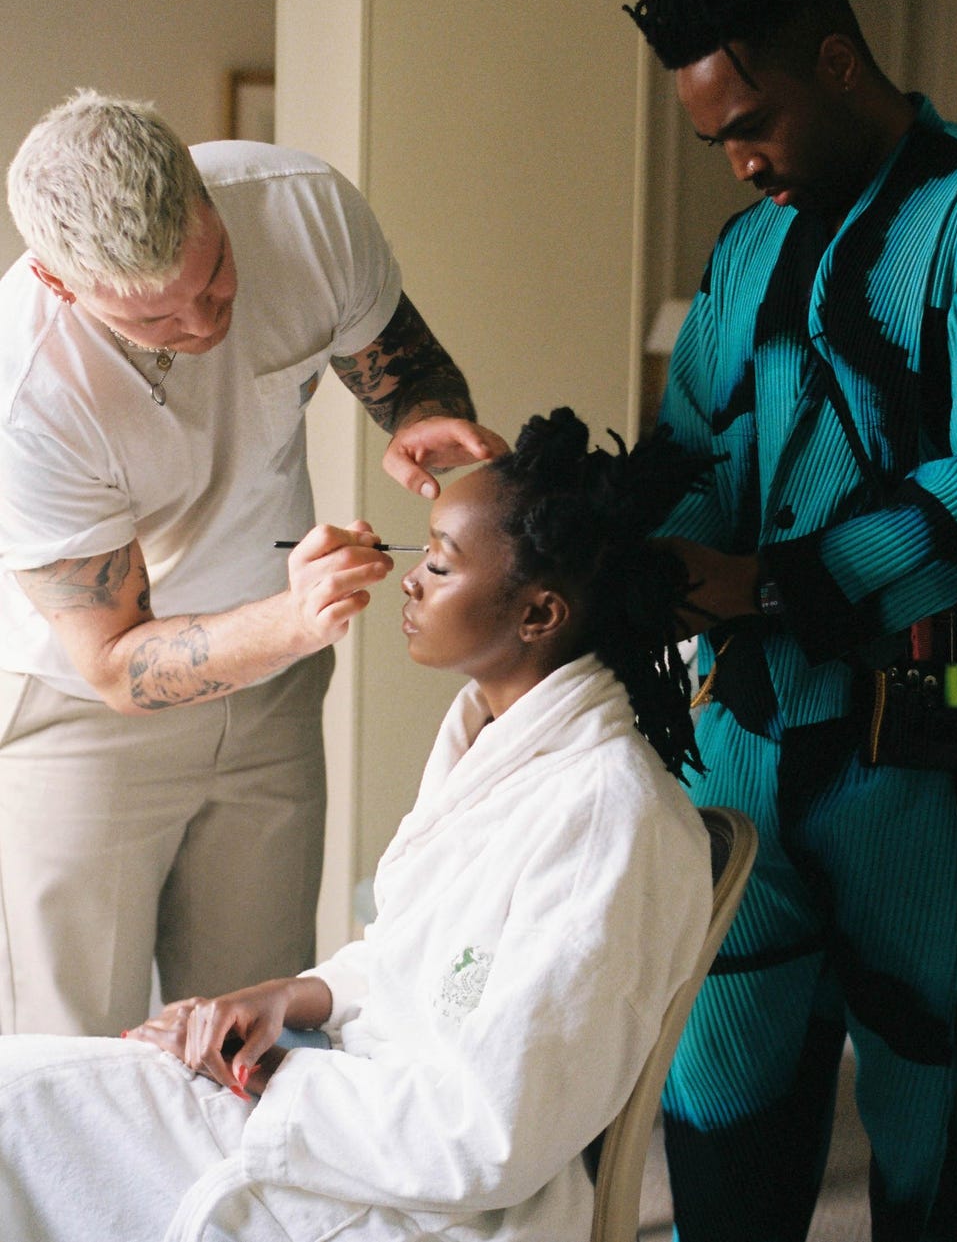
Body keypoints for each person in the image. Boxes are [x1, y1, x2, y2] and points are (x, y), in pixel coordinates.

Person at [0, 406, 713, 1242]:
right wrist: (287, 996)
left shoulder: (607, 818)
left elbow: (493, 1134)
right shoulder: (491, 741)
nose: (409, 579)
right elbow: (428, 959)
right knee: (22, 1088)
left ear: (539, 614)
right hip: (353, 1113)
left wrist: (276, 1074)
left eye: (440, 565)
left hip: (425, 1197)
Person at [0, 89, 507, 1038]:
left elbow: (408, 368)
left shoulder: (303, 209)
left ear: (204, 190)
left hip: (272, 696)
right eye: (159, 320)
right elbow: (113, 660)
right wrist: (292, 617)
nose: (205, 323)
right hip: (83, 718)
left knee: (250, 1028)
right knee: (70, 1053)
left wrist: (422, 415)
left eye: (217, 274)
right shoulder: (25, 391)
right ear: (67, 287)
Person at [624, 0, 957, 1241]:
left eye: (749, 124)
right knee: (720, 1105)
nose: (738, 162)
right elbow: (692, 452)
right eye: (713, 138)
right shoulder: (747, 249)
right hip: (745, 756)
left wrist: (767, 584)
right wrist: (590, 526)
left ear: (836, 63)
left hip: (929, 767)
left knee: (933, 1135)